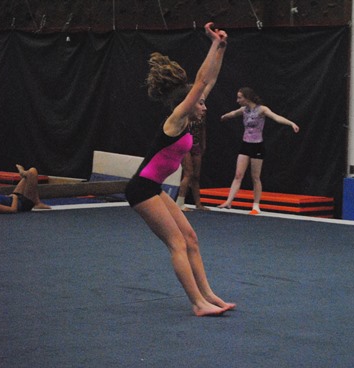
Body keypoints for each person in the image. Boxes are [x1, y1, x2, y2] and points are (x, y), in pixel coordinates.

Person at [124, 22, 235, 317]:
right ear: (186, 103)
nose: (205, 105)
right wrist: (211, 44)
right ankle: (197, 304)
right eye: (200, 102)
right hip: (141, 189)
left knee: (191, 239)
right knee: (176, 243)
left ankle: (208, 294)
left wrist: (221, 48)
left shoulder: (188, 118)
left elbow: (208, 82)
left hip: (154, 188)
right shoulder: (175, 120)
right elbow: (200, 82)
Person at [217, 87, 300, 215]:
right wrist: (224, 116)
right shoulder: (244, 110)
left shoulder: (262, 109)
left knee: (255, 177)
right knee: (238, 175)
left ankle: (256, 205)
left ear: (247, 97)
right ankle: (229, 201)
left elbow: (276, 117)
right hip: (245, 145)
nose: (237, 100)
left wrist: (291, 123)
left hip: (257, 146)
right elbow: (233, 113)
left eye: (240, 97)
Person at [175, 114, 208, 211]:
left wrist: (203, 144)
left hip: (196, 145)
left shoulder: (201, 113)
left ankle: (198, 204)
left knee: (196, 176)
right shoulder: (186, 113)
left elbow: (203, 130)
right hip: (185, 146)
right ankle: (179, 202)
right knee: (188, 173)